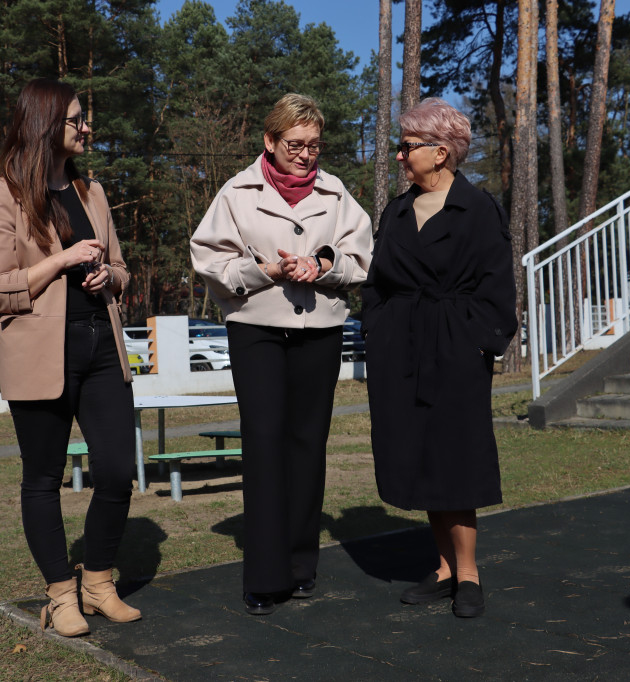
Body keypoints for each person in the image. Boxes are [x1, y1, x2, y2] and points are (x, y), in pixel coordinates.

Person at [190, 93, 373, 616]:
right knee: (265, 445)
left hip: (319, 330)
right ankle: (265, 576)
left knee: (307, 445)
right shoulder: (236, 192)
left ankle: (300, 562)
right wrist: (261, 272)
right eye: (295, 144)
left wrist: (323, 264)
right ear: (269, 141)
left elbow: (361, 256)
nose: (306, 155)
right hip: (257, 331)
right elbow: (209, 258)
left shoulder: (337, 193)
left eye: (314, 145)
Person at [0, 78, 140, 637]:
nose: (87, 127)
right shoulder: (1, 196)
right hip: (41, 357)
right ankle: (60, 595)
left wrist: (104, 277)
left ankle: (97, 583)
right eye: (76, 119)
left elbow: (122, 271)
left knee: (117, 471)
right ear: (47, 125)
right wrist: (62, 259)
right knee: (42, 480)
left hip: (101, 349)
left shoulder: (92, 192)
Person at [362, 98, 517, 618]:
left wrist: (479, 343)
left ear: (441, 152)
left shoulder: (478, 208)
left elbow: (498, 287)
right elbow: (377, 283)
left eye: (407, 147)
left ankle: (469, 573)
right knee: (417, 454)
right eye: (400, 146)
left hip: (454, 349)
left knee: (456, 455)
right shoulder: (397, 210)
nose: (400, 156)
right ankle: (443, 567)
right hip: (400, 350)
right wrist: (378, 331)